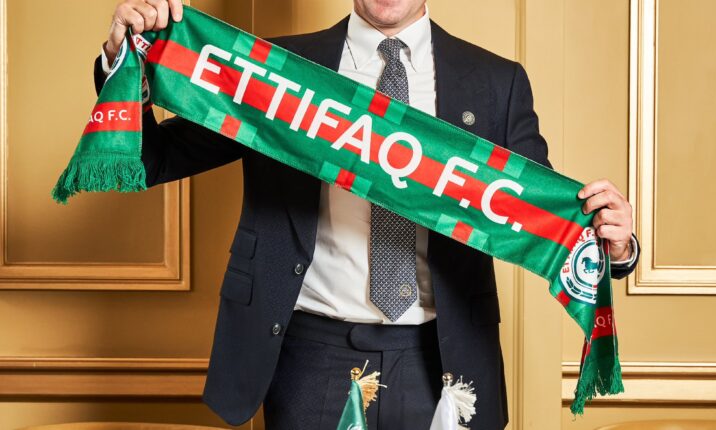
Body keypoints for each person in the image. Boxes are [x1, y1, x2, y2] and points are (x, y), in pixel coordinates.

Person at [96, 0, 640, 428]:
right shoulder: (274, 70)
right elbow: (155, 157)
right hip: (308, 357)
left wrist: (614, 245)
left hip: (441, 359)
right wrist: (124, 63)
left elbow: (543, 219)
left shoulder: (496, 82)